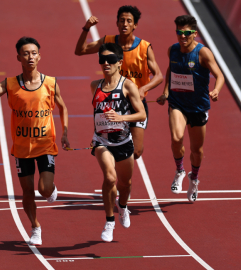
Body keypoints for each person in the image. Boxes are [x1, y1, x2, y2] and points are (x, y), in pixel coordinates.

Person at [0, 37, 70, 246]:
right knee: (27, 191)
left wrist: (64, 132)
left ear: (39, 56)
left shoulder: (50, 83)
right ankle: (35, 227)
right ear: (18, 57)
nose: (30, 57)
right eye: (26, 53)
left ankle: (50, 189)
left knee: (44, 189)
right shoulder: (10, 84)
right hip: (21, 148)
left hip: (45, 144)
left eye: (34, 53)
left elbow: (63, 107)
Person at [75, 5, 163, 160]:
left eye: (129, 21)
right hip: (113, 103)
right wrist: (86, 28)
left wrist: (143, 89)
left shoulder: (144, 47)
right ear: (117, 23)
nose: (125, 24)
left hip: (135, 103)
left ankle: (120, 177)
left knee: (136, 152)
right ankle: (113, 177)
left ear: (135, 25)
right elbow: (80, 50)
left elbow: (159, 76)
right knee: (110, 148)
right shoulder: (108, 42)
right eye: (122, 20)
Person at [156, 15, 224, 202]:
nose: (182, 36)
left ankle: (194, 179)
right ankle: (179, 170)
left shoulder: (203, 53)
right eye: (179, 32)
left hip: (198, 107)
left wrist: (216, 90)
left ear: (195, 33)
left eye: (186, 33)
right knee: (177, 138)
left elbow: (219, 75)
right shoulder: (173, 50)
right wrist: (166, 92)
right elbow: (171, 70)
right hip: (177, 103)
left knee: (197, 150)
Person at [90, 43, 146, 242]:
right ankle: (109, 221)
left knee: (125, 183)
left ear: (119, 63)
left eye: (111, 60)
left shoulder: (128, 85)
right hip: (101, 141)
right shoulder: (94, 86)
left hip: (123, 142)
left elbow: (142, 113)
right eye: (102, 60)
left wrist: (121, 118)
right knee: (110, 178)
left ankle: (123, 207)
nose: (106, 63)